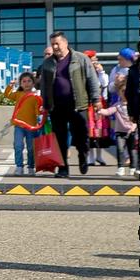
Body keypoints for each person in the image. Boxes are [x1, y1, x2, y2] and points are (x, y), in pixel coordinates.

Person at [38, 30, 99, 178]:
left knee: (81, 136)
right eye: (53, 44)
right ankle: (63, 168)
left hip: (79, 105)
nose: (55, 47)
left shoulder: (81, 58)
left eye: (57, 43)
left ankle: (83, 155)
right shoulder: (47, 63)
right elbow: (44, 85)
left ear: (65, 43)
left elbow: (92, 79)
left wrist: (96, 99)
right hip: (57, 106)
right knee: (60, 138)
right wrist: (45, 105)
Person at [10, 68, 40, 178]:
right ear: (20, 83)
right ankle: (19, 166)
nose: (26, 84)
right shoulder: (18, 94)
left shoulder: (35, 95)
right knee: (18, 146)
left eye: (29, 81)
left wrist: (39, 119)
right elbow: (7, 95)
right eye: (24, 81)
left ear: (33, 82)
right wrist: (10, 86)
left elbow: (38, 109)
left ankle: (31, 167)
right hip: (19, 125)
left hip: (31, 126)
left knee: (31, 147)